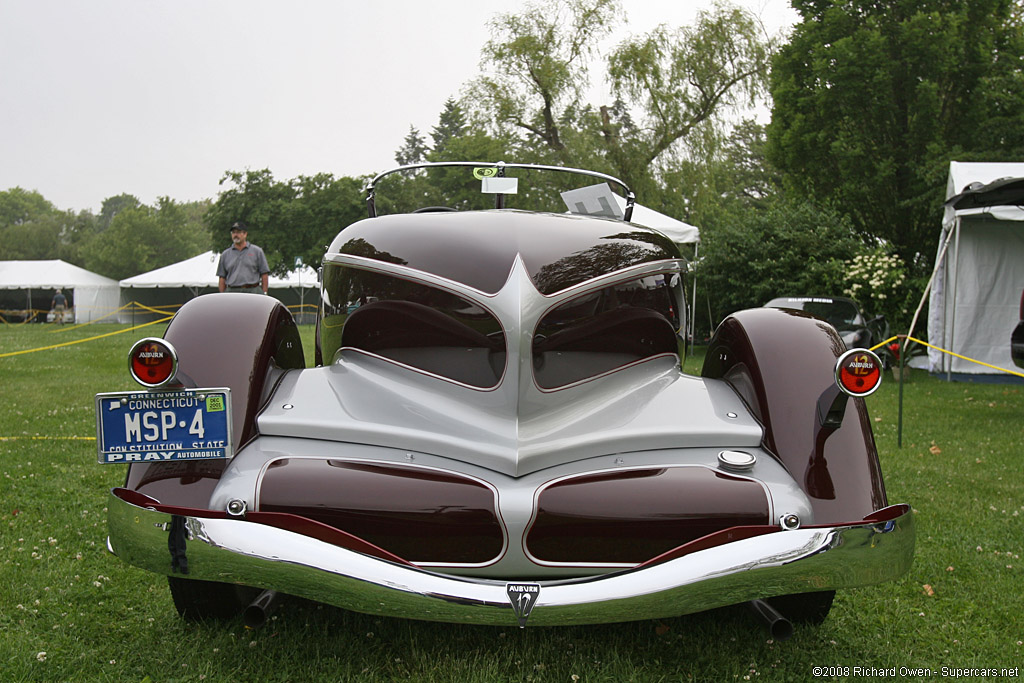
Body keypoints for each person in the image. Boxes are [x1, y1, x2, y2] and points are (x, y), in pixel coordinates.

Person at [217, 222, 270, 294]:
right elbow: (222, 277)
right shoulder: (225, 254)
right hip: (232, 291)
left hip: (253, 290)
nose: (235, 235)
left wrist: (264, 292)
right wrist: (222, 295)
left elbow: (264, 274)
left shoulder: (257, 251)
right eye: (233, 233)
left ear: (245, 234)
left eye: (238, 232)